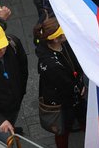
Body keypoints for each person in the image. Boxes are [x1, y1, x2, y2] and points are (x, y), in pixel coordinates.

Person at [33, 19, 85, 148]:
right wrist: (79, 88)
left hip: (72, 94)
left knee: (81, 117)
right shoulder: (52, 65)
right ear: (56, 39)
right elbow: (66, 86)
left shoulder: (60, 45)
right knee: (63, 129)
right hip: (63, 103)